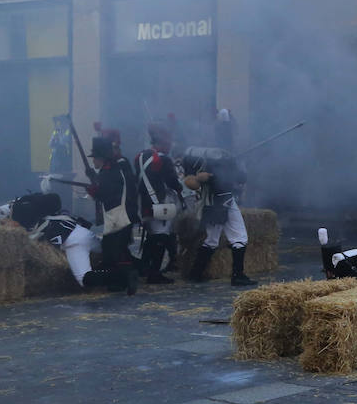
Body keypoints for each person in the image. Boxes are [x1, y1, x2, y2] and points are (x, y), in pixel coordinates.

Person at [182, 144, 255, 287]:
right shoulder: (221, 163)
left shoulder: (198, 162)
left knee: (212, 240)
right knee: (239, 237)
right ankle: (238, 276)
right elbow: (241, 178)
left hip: (213, 203)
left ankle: (195, 274)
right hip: (222, 201)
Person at [88, 134, 138, 295]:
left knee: (114, 251)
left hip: (118, 216)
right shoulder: (110, 169)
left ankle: (129, 276)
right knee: (114, 250)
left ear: (101, 158)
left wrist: (94, 191)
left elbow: (107, 193)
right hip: (118, 215)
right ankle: (118, 283)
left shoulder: (110, 171)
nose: (93, 161)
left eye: (94, 158)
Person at [133, 121, 182, 286]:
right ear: (161, 143)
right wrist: (181, 186)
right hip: (159, 203)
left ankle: (145, 267)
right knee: (162, 235)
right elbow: (173, 182)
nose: (170, 147)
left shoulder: (139, 156)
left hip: (143, 203)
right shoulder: (164, 160)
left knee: (152, 236)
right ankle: (154, 274)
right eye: (168, 144)